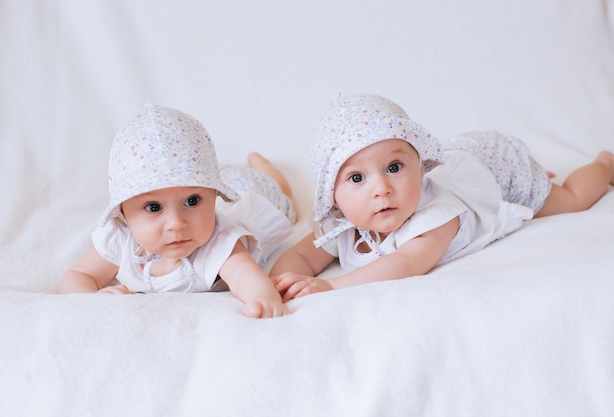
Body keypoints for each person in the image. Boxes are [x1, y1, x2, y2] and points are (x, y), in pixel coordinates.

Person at [270, 93, 614, 301]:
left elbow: (405, 265)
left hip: (493, 169)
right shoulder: (339, 224)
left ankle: (602, 164)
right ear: (332, 195)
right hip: (463, 159)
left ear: (420, 167)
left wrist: (329, 288)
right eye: (357, 178)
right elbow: (301, 257)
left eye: (394, 166)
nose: (382, 189)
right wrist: (281, 285)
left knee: (571, 200)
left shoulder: (435, 217)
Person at [58, 104, 296, 318]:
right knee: (189, 183)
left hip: (253, 193)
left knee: (279, 195)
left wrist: (263, 297)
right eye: (153, 207)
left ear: (213, 197)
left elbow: (245, 274)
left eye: (193, 201)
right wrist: (92, 300)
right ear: (123, 214)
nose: (176, 223)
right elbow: (79, 276)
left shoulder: (220, 241)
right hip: (213, 180)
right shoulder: (121, 239)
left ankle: (267, 171)